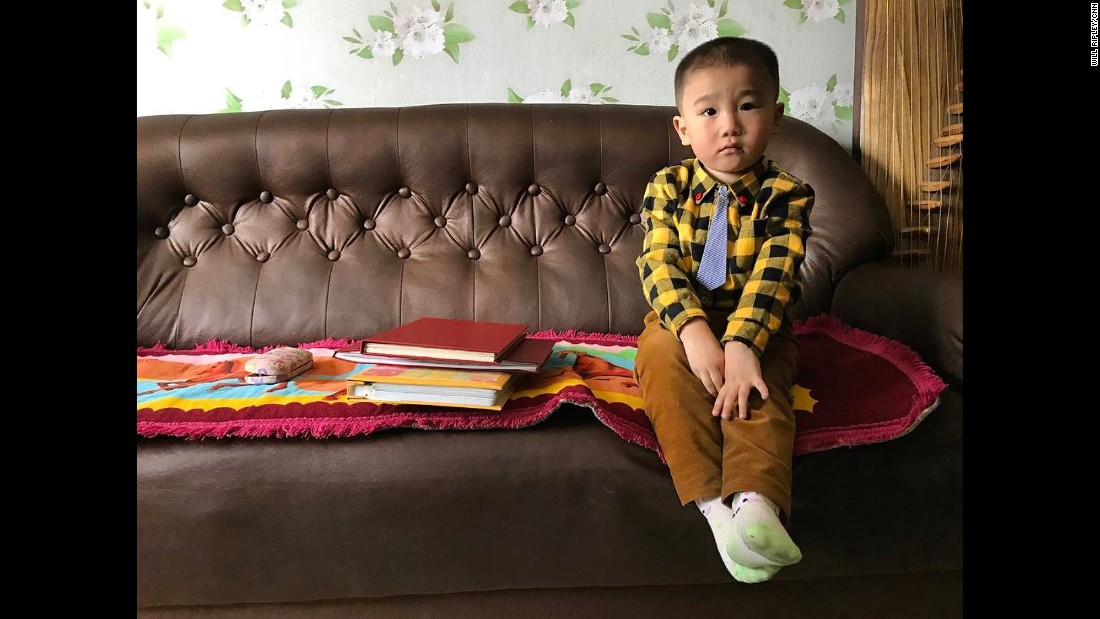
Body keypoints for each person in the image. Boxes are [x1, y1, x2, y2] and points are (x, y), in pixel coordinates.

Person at [634, 36, 814, 584]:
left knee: (758, 390)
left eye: (748, 105)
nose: (729, 124)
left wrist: (742, 346)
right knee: (661, 362)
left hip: (760, 327)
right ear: (683, 128)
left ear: (776, 116)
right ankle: (716, 514)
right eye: (709, 110)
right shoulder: (666, 187)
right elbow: (657, 263)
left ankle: (756, 505)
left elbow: (775, 272)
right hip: (680, 321)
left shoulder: (786, 194)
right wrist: (692, 332)